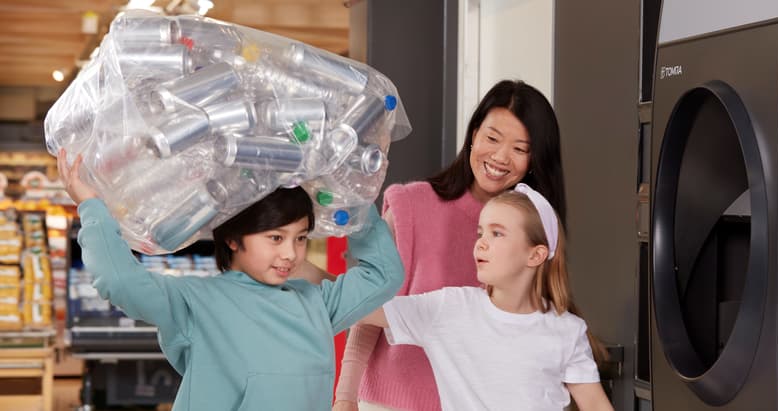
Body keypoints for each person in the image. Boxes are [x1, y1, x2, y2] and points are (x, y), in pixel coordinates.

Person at [57, 148, 404, 411]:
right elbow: (121, 282)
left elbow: (384, 275)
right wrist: (91, 208)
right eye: (275, 238)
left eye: (300, 238)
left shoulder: (316, 303)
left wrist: (356, 202)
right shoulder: (194, 301)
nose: (290, 254)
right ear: (233, 239)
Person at [328, 79, 576, 411]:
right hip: (392, 403)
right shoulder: (411, 207)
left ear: (534, 160)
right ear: (473, 135)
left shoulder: (535, 232)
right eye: (492, 138)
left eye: (519, 148)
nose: (501, 157)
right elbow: (367, 308)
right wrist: (345, 397)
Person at [358, 184, 612, 410]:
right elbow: (358, 306)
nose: (480, 243)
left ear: (535, 255)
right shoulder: (449, 308)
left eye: (497, 233)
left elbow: (595, 405)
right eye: (480, 233)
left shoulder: (567, 330)